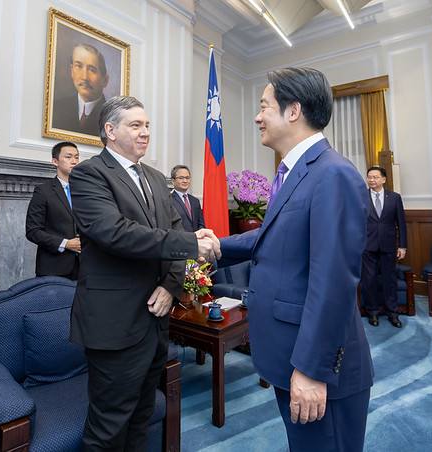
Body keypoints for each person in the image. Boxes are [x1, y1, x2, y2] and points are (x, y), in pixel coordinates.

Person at [219, 68, 373, 451]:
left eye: (264, 107)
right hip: (291, 354)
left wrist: (311, 369)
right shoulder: (296, 171)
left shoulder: (332, 174)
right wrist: (217, 245)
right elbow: (276, 235)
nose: (257, 117)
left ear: (293, 112)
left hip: (316, 366)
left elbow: (334, 280)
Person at [68, 96, 221, 451]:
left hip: (156, 320)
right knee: (108, 424)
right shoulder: (89, 174)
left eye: (147, 125)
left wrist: (170, 286)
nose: (145, 132)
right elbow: (114, 233)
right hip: (114, 324)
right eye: (135, 126)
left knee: (143, 413)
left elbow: (170, 233)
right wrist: (189, 243)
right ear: (110, 130)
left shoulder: (154, 177)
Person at [25, 141, 81, 279]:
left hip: (83, 267)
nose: (74, 161)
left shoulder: (84, 190)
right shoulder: (43, 191)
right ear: (55, 161)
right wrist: (66, 244)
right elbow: (33, 231)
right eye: (68, 157)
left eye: (76, 157)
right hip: (53, 268)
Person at [360, 165, 408, 328]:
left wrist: (402, 246)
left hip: (389, 245)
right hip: (367, 245)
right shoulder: (360, 196)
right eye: (369, 177)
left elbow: (401, 222)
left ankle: (392, 312)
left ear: (383, 179)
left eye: (375, 177)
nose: (371, 180)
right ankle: (372, 312)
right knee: (369, 279)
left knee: (390, 280)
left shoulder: (394, 197)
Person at [52, 43, 109, 136]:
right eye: (78, 66)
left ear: (105, 80)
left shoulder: (112, 117)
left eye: (92, 70)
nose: (84, 77)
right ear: (71, 71)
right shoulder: (56, 107)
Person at [170, 165, 205, 232]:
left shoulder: (195, 201)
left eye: (187, 177)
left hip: (195, 240)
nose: (185, 181)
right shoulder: (168, 200)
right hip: (179, 240)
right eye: (181, 178)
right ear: (173, 181)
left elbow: (201, 223)